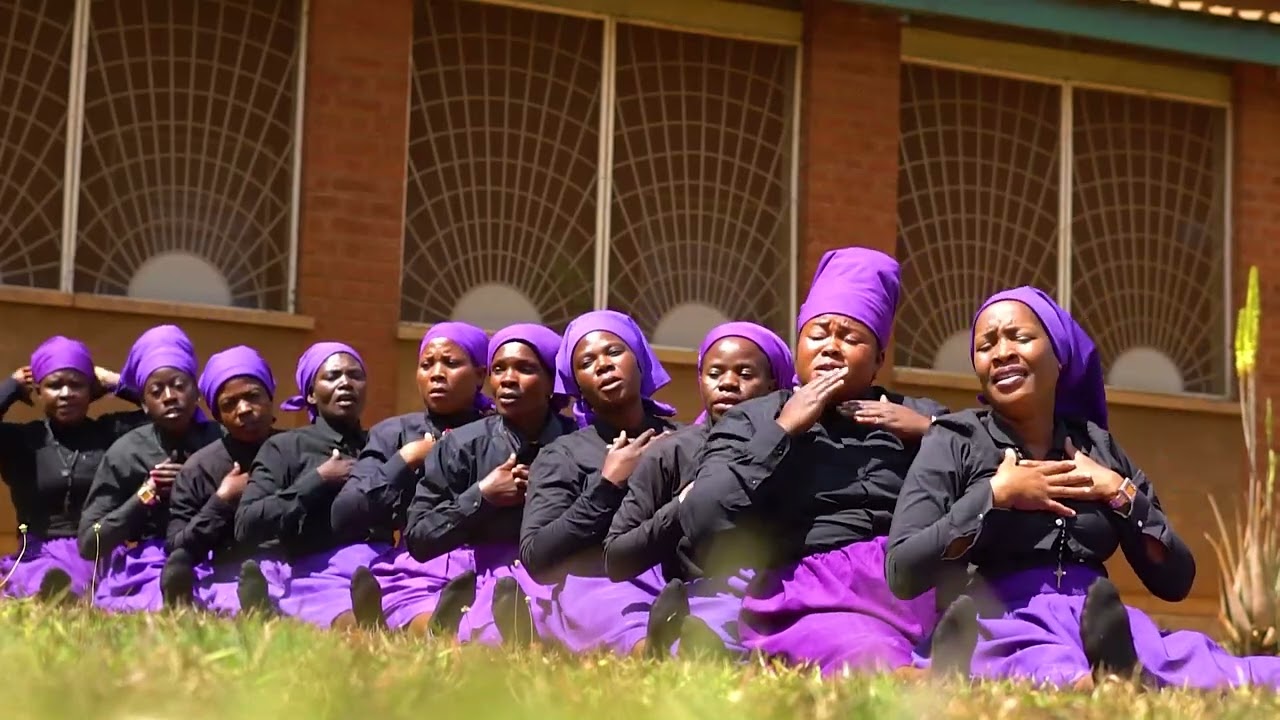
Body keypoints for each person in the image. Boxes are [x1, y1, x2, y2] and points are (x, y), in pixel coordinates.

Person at [885, 286, 1280, 689]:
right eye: (986, 345)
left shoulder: (1098, 447)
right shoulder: (954, 440)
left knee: (1242, 674)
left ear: (1059, 356)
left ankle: (1114, 664)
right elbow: (902, 570)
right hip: (998, 618)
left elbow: (1176, 579)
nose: (1002, 352)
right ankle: (1103, 677)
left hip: (1099, 621)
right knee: (1054, 666)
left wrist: (1117, 491)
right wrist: (994, 496)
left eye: (1019, 338)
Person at [678, 247, 946, 676]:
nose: (832, 348)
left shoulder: (919, 415)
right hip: (809, 590)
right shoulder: (755, 416)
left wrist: (932, 433)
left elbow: (991, 480)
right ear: (799, 343)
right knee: (862, 646)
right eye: (819, 333)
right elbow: (702, 517)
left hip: (911, 586)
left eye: (851, 337)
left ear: (878, 361)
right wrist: (782, 430)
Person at [605, 322, 794, 657]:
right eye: (715, 373)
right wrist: (683, 504)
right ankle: (673, 643)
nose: (727, 383)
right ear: (700, 380)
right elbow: (618, 557)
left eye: (745, 373)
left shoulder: (798, 446)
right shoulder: (671, 453)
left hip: (782, 586)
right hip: (696, 591)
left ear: (773, 383)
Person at [401, 323, 577, 644]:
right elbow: (419, 538)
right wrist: (483, 495)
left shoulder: (577, 442)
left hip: (558, 569)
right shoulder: (459, 446)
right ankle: (449, 626)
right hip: (473, 569)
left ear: (553, 382)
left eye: (525, 368)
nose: (508, 379)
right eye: (499, 369)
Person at [517, 310, 680, 654]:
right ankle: (650, 649)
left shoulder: (686, 441)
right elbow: (537, 554)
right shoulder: (562, 455)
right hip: (600, 581)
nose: (603, 365)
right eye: (587, 361)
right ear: (577, 386)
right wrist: (608, 485)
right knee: (612, 610)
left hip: (677, 576)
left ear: (640, 361)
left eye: (614, 352)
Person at [331, 322, 491, 631]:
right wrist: (405, 460)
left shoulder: (499, 432)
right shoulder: (394, 433)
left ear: (481, 375)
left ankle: (426, 627)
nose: (437, 373)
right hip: (416, 560)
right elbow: (344, 513)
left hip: (485, 560)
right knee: (410, 601)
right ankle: (424, 626)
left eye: (451, 363)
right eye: (427, 364)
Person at [235, 342, 392, 629]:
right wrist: (317, 480)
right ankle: (365, 623)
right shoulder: (284, 448)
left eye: (355, 375)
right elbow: (246, 524)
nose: (345, 383)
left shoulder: (383, 442)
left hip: (382, 563)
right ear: (310, 393)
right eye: (332, 377)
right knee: (342, 615)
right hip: (317, 569)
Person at [77, 325, 222, 612]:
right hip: (149, 559)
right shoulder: (126, 452)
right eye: (156, 391)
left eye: (179, 385)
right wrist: (146, 494)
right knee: (150, 599)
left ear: (198, 392)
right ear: (143, 404)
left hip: (216, 553)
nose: (169, 396)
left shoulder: (224, 441)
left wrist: (195, 483)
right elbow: (89, 540)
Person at [0, 336, 143, 600]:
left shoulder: (110, 433)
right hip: (38, 553)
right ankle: (56, 591)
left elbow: (171, 415)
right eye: (54, 385)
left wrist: (116, 383)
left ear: (92, 390)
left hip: (99, 550)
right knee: (42, 579)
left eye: (76, 385)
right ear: (38, 390)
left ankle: (63, 593)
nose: (66, 394)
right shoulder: (21, 441)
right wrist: (11, 387)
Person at [164, 345, 288, 614]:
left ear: (270, 398)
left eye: (253, 396)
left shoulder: (299, 449)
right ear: (218, 416)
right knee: (228, 600)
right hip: (229, 570)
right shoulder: (199, 468)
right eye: (229, 404)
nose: (243, 409)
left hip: (296, 566)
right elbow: (176, 546)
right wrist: (222, 500)